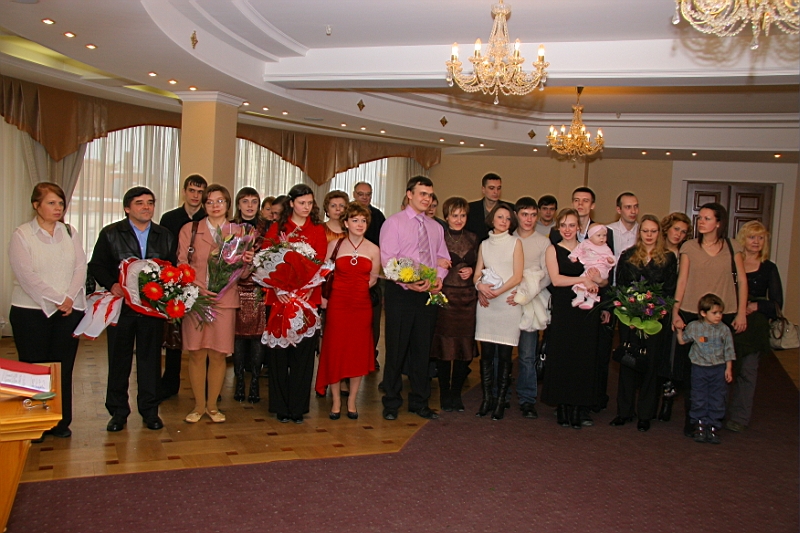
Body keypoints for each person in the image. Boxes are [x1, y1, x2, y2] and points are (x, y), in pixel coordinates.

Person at [89, 186, 176, 432]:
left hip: (151, 309)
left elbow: (172, 268)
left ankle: (150, 411)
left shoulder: (164, 235)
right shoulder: (111, 233)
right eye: (140, 203)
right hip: (122, 307)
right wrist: (112, 284)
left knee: (150, 361)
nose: (146, 207)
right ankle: (118, 412)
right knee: (119, 360)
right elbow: (97, 265)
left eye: (150, 202)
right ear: (127, 208)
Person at [9, 182, 87, 439]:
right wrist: (57, 299)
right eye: (51, 203)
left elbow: (80, 267)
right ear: (36, 205)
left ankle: (60, 422)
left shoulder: (69, 232)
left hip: (68, 311)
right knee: (34, 368)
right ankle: (35, 423)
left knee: (62, 368)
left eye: (61, 203)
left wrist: (69, 298)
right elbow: (26, 275)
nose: (58, 208)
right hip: (30, 312)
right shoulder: (22, 234)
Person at [672, 202, 747, 437]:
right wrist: (675, 311)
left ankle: (714, 419)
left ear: (718, 222)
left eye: (707, 218)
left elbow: (742, 281)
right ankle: (693, 419)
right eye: (700, 218)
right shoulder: (689, 247)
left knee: (720, 369)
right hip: (692, 312)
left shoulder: (732, 247)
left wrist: (742, 312)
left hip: (724, 314)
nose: (701, 222)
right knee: (692, 372)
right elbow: (682, 280)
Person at [179, 184, 251, 424]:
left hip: (225, 301)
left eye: (220, 201)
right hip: (196, 299)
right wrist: (198, 289)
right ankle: (198, 406)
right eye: (209, 202)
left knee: (219, 354)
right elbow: (181, 264)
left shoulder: (238, 232)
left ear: (228, 205)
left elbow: (242, 274)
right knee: (197, 353)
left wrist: (248, 262)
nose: (215, 206)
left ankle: (212, 406)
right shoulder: (190, 229)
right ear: (203, 205)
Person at [380, 176, 449, 421]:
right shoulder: (394, 223)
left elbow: (442, 257)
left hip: (427, 294)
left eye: (429, 195)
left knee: (422, 350)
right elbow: (388, 261)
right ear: (409, 194)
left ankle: (420, 402)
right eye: (422, 194)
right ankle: (391, 401)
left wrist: (439, 278)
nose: (426, 199)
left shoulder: (436, 227)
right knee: (396, 350)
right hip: (401, 294)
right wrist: (408, 282)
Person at [263, 185, 327, 423]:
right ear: (291, 203)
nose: (306, 207)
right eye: (302, 203)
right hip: (279, 299)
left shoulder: (317, 230)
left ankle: (298, 407)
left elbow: (320, 263)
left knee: (303, 355)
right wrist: (277, 287)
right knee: (279, 356)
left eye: (310, 203)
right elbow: (265, 261)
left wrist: (306, 288)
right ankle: (280, 405)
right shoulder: (277, 228)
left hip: (306, 299)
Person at [609, 215, 677, 432]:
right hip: (629, 320)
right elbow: (620, 287)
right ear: (640, 233)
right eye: (645, 231)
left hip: (655, 320)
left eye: (653, 231)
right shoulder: (627, 255)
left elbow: (669, 290)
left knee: (651, 366)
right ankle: (624, 411)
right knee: (628, 363)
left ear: (659, 234)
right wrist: (629, 313)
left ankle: (646, 414)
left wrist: (655, 313)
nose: (649, 235)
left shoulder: (668, 258)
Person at [315, 202, 381, 419]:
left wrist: (356, 289)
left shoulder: (374, 249)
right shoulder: (335, 246)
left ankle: (352, 401)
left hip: (361, 305)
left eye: (363, 221)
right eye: (355, 220)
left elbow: (373, 279)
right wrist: (325, 298)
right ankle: (335, 401)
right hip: (338, 304)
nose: (360, 224)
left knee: (357, 352)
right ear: (346, 223)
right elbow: (324, 273)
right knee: (335, 351)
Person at [542, 208, 605, 429]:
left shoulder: (589, 247)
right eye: (563, 225)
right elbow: (556, 280)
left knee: (583, 357)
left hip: (587, 309)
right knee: (563, 355)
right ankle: (562, 406)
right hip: (564, 308)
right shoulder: (553, 249)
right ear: (558, 227)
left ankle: (578, 406)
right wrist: (582, 280)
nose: (567, 229)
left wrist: (598, 281)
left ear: (579, 227)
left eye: (571, 225)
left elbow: (602, 277)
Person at [727, 221, 783, 432]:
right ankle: (716, 412)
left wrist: (755, 305)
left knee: (747, 372)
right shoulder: (733, 263)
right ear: (744, 239)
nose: (756, 242)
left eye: (761, 238)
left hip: (755, 327)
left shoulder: (769, 267)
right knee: (722, 369)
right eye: (752, 237)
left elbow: (777, 304)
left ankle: (740, 417)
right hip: (730, 321)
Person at [158, 174, 207, 400]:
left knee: (203, 335)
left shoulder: (207, 217)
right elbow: (164, 250)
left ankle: (206, 385)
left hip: (202, 282)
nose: (195, 196)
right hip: (174, 282)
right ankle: (170, 383)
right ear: (184, 191)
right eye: (192, 191)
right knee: (174, 336)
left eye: (200, 192)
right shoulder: (169, 218)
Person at [474, 202, 524, 420]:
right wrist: (480, 287)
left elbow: (517, 276)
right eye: (500, 217)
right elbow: (477, 273)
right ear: (492, 219)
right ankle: (487, 399)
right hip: (487, 304)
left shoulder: (516, 243)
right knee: (486, 354)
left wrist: (498, 292)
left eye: (507, 218)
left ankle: (501, 400)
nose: (504, 221)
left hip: (508, 304)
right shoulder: (484, 244)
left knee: (504, 355)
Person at [430, 197, 479, 413]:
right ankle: (444, 393)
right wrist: (437, 262)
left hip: (468, 299)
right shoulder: (438, 237)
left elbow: (482, 265)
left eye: (462, 215)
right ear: (446, 216)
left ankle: (456, 394)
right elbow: (424, 261)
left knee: (463, 348)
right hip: (445, 298)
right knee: (444, 349)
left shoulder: (474, 237)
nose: (458, 219)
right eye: (454, 215)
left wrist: (473, 269)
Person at [508, 197, 550, 419]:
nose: (529, 219)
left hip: (532, 302)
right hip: (508, 300)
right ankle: (500, 392)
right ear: (516, 215)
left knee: (527, 354)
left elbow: (547, 275)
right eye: (525, 214)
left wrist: (525, 294)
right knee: (503, 351)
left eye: (533, 215)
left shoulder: (543, 242)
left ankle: (527, 398)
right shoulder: (507, 238)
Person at [676, 293, 735, 444]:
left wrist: (728, 368)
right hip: (699, 369)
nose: (718, 316)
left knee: (717, 398)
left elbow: (729, 350)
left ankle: (713, 426)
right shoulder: (695, 327)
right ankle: (700, 426)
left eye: (720, 313)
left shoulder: (724, 330)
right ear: (703, 313)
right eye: (714, 313)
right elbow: (682, 341)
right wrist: (679, 330)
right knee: (699, 397)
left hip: (718, 368)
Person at [231, 187, 268, 404]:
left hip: (259, 289)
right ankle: (239, 381)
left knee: (257, 337)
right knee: (237, 337)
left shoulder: (267, 228)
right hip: (235, 288)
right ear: (238, 204)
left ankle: (254, 382)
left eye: (254, 201)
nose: (250, 205)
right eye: (245, 201)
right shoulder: (229, 228)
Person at [656, 212, 692, 421]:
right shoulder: (657, 251)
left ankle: (668, 400)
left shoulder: (687, 254)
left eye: (684, 232)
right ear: (667, 228)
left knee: (674, 356)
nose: (679, 234)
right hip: (658, 308)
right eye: (676, 229)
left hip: (680, 308)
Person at [353, 181, 385, 370]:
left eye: (368, 194)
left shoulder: (378, 216)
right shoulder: (347, 214)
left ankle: (370, 355)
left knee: (372, 320)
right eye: (361, 194)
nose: (365, 197)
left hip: (372, 274)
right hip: (350, 275)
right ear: (354, 194)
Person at [568, 223, 615, 309]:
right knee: (583, 279)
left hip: (601, 269)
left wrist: (610, 261)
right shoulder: (585, 243)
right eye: (599, 235)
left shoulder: (605, 247)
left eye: (604, 235)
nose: (602, 238)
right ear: (591, 236)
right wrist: (573, 256)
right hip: (589, 267)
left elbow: (612, 259)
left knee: (593, 281)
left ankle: (591, 300)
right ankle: (580, 296)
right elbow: (578, 250)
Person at [465, 173, 502, 242]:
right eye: (491, 188)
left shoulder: (509, 209)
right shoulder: (470, 209)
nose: (496, 192)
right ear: (483, 189)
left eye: (498, 188)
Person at [606, 192, 640, 267]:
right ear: (619, 210)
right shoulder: (607, 231)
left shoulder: (643, 232)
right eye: (628, 207)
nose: (633, 211)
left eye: (636, 206)